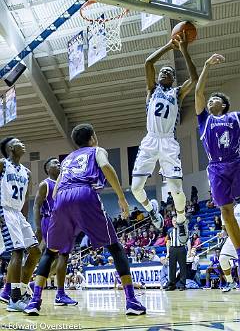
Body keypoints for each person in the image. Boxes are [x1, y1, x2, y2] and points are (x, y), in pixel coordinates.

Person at [25, 124, 146, 316]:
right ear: (93, 137)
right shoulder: (96, 150)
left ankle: (34, 301)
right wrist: (121, 197)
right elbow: (106, 166)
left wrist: (62, 210)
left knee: (50, 252)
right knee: (115, 247)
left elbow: (55, 191)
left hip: (61, 199)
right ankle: (131, 301)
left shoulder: (66, 160)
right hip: (84, 193)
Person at [131, 32, 198, 243]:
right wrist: (170, 46)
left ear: (173, 78)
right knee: (135, 188)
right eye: (162, 71)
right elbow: (148, 62)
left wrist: (184, 50)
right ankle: (152, 210)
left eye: (168, 71)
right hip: (151, 140)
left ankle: (181, 219)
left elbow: (194, 79)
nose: (164, 72)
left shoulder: (177, 93)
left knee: (176, 189)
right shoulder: (151, 90)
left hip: (168, 141)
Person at [195, 53, 240, 273]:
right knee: (226, 212)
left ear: (223, 104)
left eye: (215, 99)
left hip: (237, 162)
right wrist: (205, 65)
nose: (211, 100)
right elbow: (198, 92)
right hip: (216, 168)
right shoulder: (204, 120)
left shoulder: (236, 117)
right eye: (210, 98)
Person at [0, 137, 41, 311]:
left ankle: (21, 289)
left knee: (35, 252)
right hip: (4, 209)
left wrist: (24, 220)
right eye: (18, 142)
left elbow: (25, 200)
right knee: (17, 251)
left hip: (18, 215)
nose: (23, 143)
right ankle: (14, 298)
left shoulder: (27, 172)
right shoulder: (2, 164)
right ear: (10, 148)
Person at [33, 157, 77, 306]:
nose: (58, 164)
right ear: (47, 168)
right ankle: (43, 290)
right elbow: (36, 206)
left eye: (59, 162)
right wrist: (38, 227)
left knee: (63, 257)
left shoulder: (66, 183)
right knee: (52, 255)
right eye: (54, 163)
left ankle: (57, 291)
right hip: (50, 220)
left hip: (66, 222)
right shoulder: (45, 184)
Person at [219, 201, 240, 292]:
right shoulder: (224, 209)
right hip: (232, 238)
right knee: (222, 259)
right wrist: (222, 233)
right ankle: (230, 282)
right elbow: (224, 229)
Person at [165, 217, 191, 291]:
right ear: (172, 222)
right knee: (172, 267)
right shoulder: (169, 230)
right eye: (173, 221)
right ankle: (172, 284)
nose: (175, 222)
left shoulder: (183, 229)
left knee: (183, 267)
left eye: (176, 221)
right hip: (172, 249)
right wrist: (167, 252)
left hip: (181, 248)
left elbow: (188, 240)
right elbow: (168, 242)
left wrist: (189, 251)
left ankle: (182, 284)